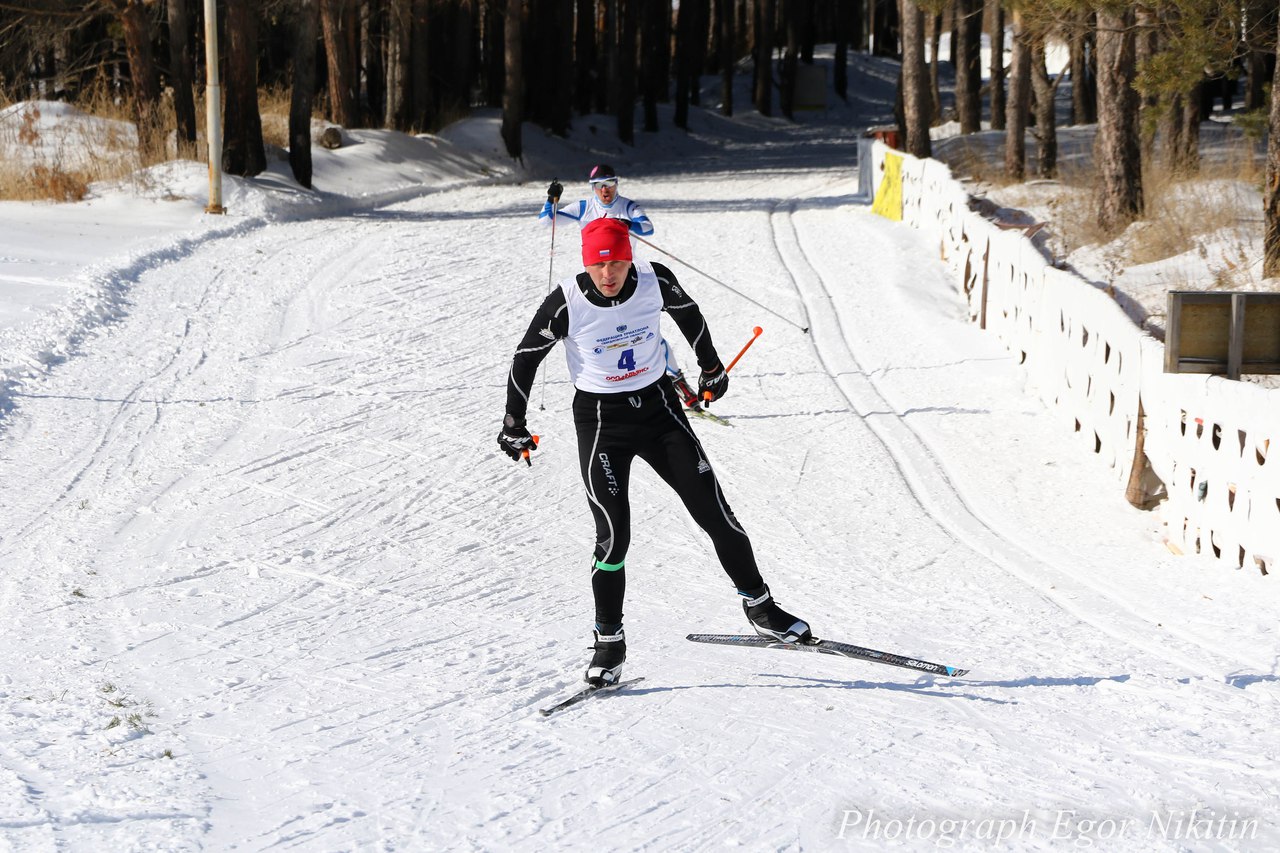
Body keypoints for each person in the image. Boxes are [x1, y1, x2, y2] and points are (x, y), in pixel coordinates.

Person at [497, 217, 811, 687]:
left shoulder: (654, 279)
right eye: (600, 266)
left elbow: (690, 313)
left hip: (660, 412)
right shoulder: (566, 301)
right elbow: (526, 357)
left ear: (629, 258)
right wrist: (513, 424)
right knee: (613, 536)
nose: (609, 275)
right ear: (587, 264)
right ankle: (609, 642)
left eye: (618, 263)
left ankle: (761, 607)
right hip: (602, 423)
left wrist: (712, 367)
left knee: (715, 513)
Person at [539, 164, 703, 410]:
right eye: (599, 186)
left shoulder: (627, 206)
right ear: (592, 188)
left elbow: (648, 227)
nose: (605, 190)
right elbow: (547, 222)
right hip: (598, 281)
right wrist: (551, 200)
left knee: (645, 334)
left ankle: (677, 380)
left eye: (610, 184)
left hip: (630, 281)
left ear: (617, 184)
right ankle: (613, 388)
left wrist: (626, 224)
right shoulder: (584, 207)